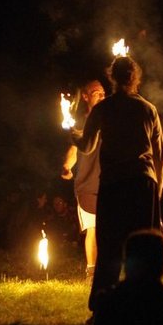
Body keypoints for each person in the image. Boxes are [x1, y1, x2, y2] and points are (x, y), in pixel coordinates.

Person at [73, 56, 163, 318]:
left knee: (111, 247)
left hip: (115, 185)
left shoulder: (104, 109)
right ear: (135, 77)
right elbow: (161, 155)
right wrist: (156, 193)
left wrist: (75, 137)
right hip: (143, 184)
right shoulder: (148, 109)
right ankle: (145, 306)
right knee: (145, 248)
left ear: (112, 77)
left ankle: (102, 309)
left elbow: (88, 146)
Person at [61, 79, 106, 284]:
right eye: (97, 93)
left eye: (104, 93)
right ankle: (91, 272)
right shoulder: (81, 123)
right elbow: (73, 150)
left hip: (109, 182)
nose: (102, 96)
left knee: (111, 228)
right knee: (93, 229)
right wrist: (67, 167)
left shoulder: (111, 121)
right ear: (86, 97)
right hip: (88, 184)